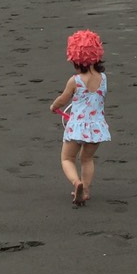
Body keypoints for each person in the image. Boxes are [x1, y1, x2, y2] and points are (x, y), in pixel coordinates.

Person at [49, 29, 111, 206]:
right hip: (96, 127)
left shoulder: (75, 80)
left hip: (77, 127)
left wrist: (54, 106)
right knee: (87, 159)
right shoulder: (104, 78)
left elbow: (63, 99)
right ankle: (86, 191)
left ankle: (77, 183)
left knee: (67, 158)